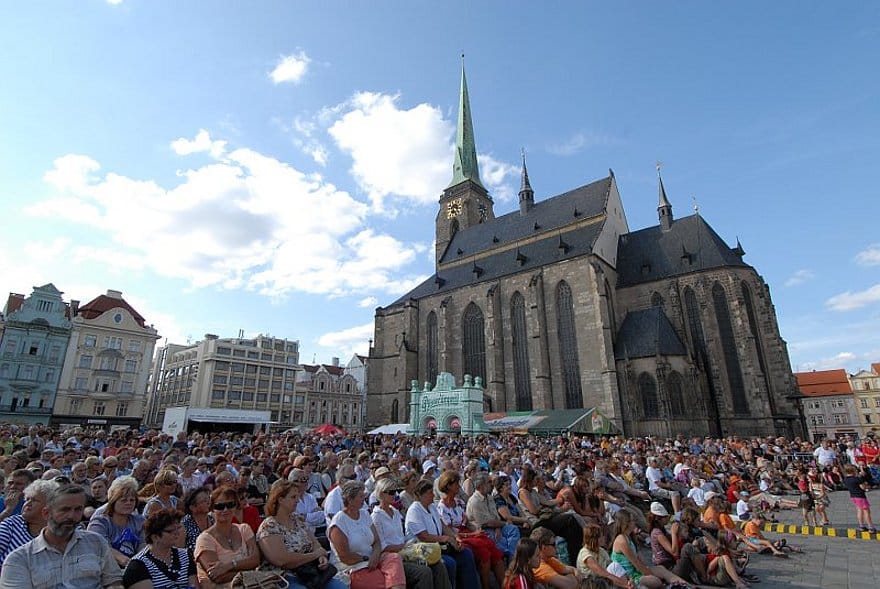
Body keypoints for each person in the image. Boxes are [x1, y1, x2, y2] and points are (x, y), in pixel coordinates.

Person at [0, 484, 123, 589]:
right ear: (46, 513)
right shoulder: (19, 560)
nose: (71, 516)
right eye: (65, 510)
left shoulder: (96, 543)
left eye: (78, 510)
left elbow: (113, 580)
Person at [257, 479, 345, 589]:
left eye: (298, 497)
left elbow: (315, 543)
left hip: (311, 572)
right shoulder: (269, 527)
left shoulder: (298, 520)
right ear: (280, 499)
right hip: (285, 576)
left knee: (340, 587)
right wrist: (315, 555)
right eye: (293, 497)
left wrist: (322, 557)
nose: (298, 500)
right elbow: (282, 561)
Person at [371, 477, 451, 589]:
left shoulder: (395, 512)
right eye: (391, 492)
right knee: (424, 572)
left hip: (405, 552)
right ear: (381, 494)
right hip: (390, 557)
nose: (394, 495)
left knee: (439, 565)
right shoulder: (376, 517)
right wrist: (404, 546)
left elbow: (401, 537)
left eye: (396, 491)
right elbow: (381, 546)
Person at [328, 480, 406, 589]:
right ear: (350, 499)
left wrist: (375, 555)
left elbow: (376, 541)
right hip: (355, 567)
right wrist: (367, 559)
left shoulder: (364, 514)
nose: (363, 499)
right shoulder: (339, 523)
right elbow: (345, 557)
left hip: (374, 558)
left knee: (394, 558)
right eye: (360, 496)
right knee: (380, 580)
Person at [406, 479, 479, 589]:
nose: (433, 495)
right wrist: (446, 539)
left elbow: (443, 526)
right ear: (420, 495)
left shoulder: (432, 507)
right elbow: (424, 536)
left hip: (440, 546)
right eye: (430, 492)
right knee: (449, 563)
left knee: (466, 553)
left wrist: (455, 537)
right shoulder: (414, 510)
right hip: (425, 549)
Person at [439, 471, 505, 589]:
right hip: (458, 536)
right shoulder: (442, 507)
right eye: (456, 484)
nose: (459, 486)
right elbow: (449, 531)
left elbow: (468, 522)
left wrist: (476, 530)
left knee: (493, 549)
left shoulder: (459, 502)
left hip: (468, 532)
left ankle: (504, 586)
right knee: (483, 550)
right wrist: (473, 533)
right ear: (448, 486)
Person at [194, 485, 261, 588]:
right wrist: (248, 570)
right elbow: (217, 576)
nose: (225, 510)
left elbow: (256, 560)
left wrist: (229, 565)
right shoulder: (205, 539)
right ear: (212, 509)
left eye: (230, 505)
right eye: (219, 506)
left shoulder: (244, 529)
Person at [516, 468, 582, 566]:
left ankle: (574, 559)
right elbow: (533, 510)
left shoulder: (533, 492)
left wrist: (560, 500)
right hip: (536, 522)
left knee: (570, 530)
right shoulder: (523, 492)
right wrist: (543, 507)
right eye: (535, 479)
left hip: (544, 518)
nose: (537, 481)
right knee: (569, 519)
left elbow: (547, 502)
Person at [609, 510, 689, 589]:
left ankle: (686, 585)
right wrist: (651, 574)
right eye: (632, 521)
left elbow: (639, 560)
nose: (634, 523)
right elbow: (636, 563)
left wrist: (649, 571)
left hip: (635, 571)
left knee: (661, 569)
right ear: (626, 523)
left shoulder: (628, 537)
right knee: (655, 581)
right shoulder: (621, 540)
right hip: (629, 576)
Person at [122, 509, 196, 589]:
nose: (177, 533)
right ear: (155, 537)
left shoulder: (185, 556)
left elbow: (195, 585)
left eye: (178, 528)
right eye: (170, 531)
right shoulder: (138, 566)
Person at [0, 479, 59, 571]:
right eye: (27, 499)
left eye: (34, 500)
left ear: (49, 507)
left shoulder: (59, 533)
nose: (27, 504)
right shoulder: (12, 523)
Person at [87, 476, 146, 568]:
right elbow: (103, 547)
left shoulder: (139, 520)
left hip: (136, 566)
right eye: (123, 500)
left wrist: (138, 561)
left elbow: (143, 543)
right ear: (113, 502)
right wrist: (126, 561)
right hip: (107, 567)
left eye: (132, 500)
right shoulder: (100, 522)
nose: (128, 503)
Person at [576, 523, 633, 589]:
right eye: (601, 536)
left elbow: (612, 565)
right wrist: (625, 585)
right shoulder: (586, 554)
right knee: (613, 568)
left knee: (615, 565)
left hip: (602, 579)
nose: (604, 537)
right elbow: (604, 574)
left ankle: (629, 584)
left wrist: (629, 577)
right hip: (592, 584)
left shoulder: (601, 550)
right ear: (595, 539)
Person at [843, 464, 877, 533]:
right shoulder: (857, 479)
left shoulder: (846, 479)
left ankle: (861, 526)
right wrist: (865, 484)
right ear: (853, 471)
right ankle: (870, 527)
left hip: (853, 496)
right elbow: (863, 487)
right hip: (861, 496)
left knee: (859, 510)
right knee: (866, 512)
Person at [182, 487, 214, 551]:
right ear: (192, 507)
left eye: (208, 499)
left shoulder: (213, 520)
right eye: (204, 501)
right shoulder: (184, 525)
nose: (208, 502)